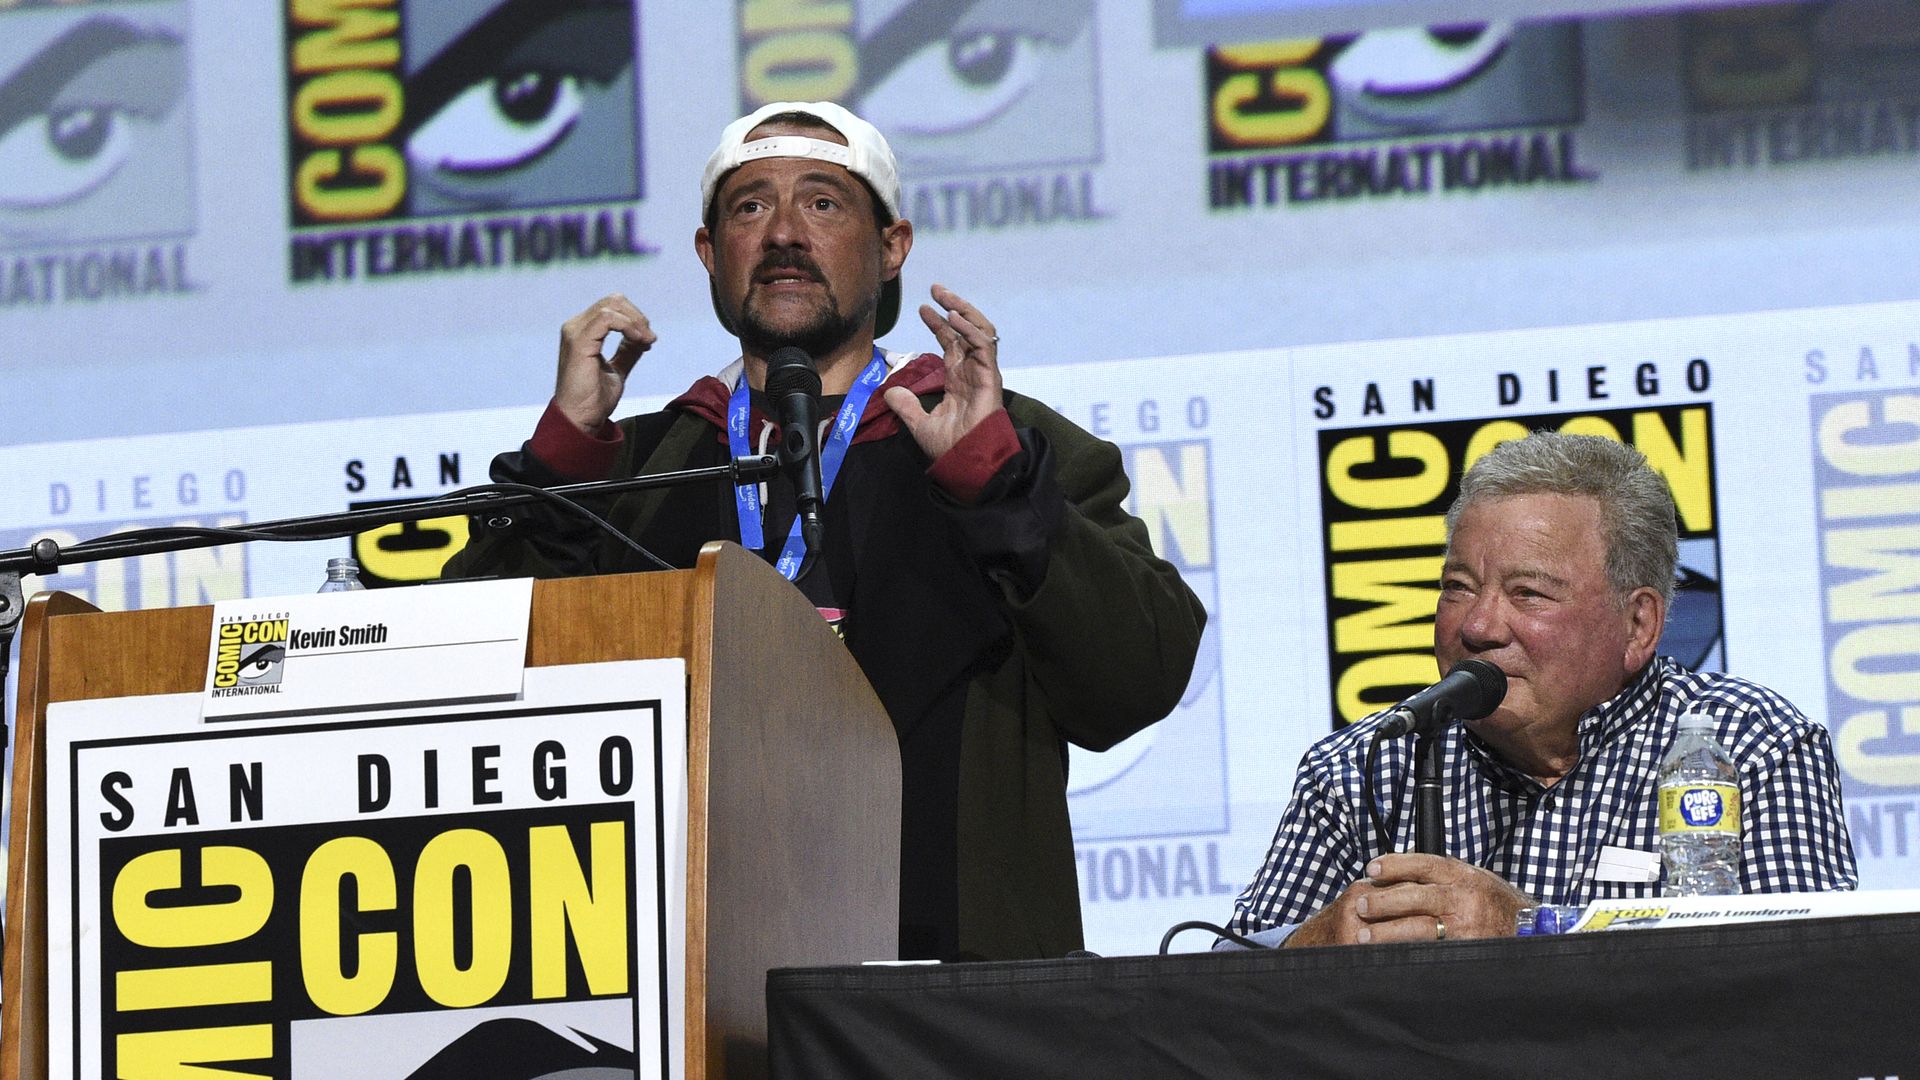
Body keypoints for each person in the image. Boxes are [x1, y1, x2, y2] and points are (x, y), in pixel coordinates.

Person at [441, 101, 1206, 962]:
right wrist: (564, 460)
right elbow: (465, 706)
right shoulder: (633, 472)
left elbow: (1137, 680)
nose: (784, 233)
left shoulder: (1005, 446)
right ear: (710, 255)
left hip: (952, 1005)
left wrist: (997, 484)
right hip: (678, 988)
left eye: (824, 203)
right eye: (750, 207)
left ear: (891, 248)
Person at [1228, 430, 1855, 947]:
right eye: (1458, 587)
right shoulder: (1365, 764)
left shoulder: (1753, 746)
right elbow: (1220, 995)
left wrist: (1527, 928)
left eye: (1528, 594)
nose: (1476, 626)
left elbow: (1818, 983)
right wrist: (1318, 943)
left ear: (1638, 626)